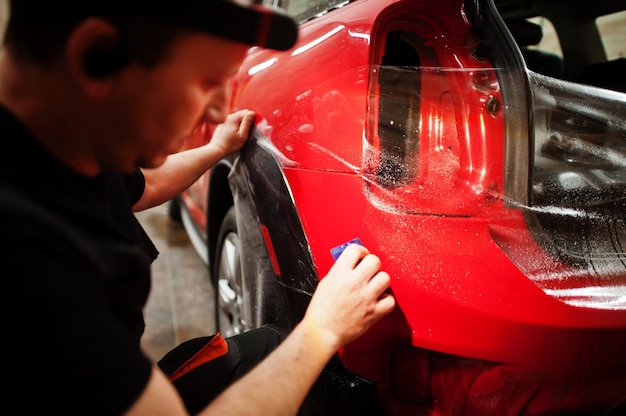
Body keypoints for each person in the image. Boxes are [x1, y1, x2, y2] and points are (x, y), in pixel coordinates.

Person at [0, 0, 396, 415]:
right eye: (208, 81)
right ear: (97, 57)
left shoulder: (59, 144)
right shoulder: (27, 264)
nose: (216, 108)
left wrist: (214, 149)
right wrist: (320, 332)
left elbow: (141, 185)